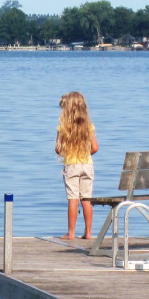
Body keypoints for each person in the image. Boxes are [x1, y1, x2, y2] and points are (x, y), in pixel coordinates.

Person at [55, 91, 99, 240]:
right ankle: (88, 232)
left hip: (71, 165)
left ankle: (71, 233)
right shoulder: (89, 126)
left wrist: (67, 153)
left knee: (73, 199)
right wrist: (84, 156)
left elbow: (58, 149)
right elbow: (95, 148)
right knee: (87, 199)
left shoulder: (63, 128)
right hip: (87, 164)